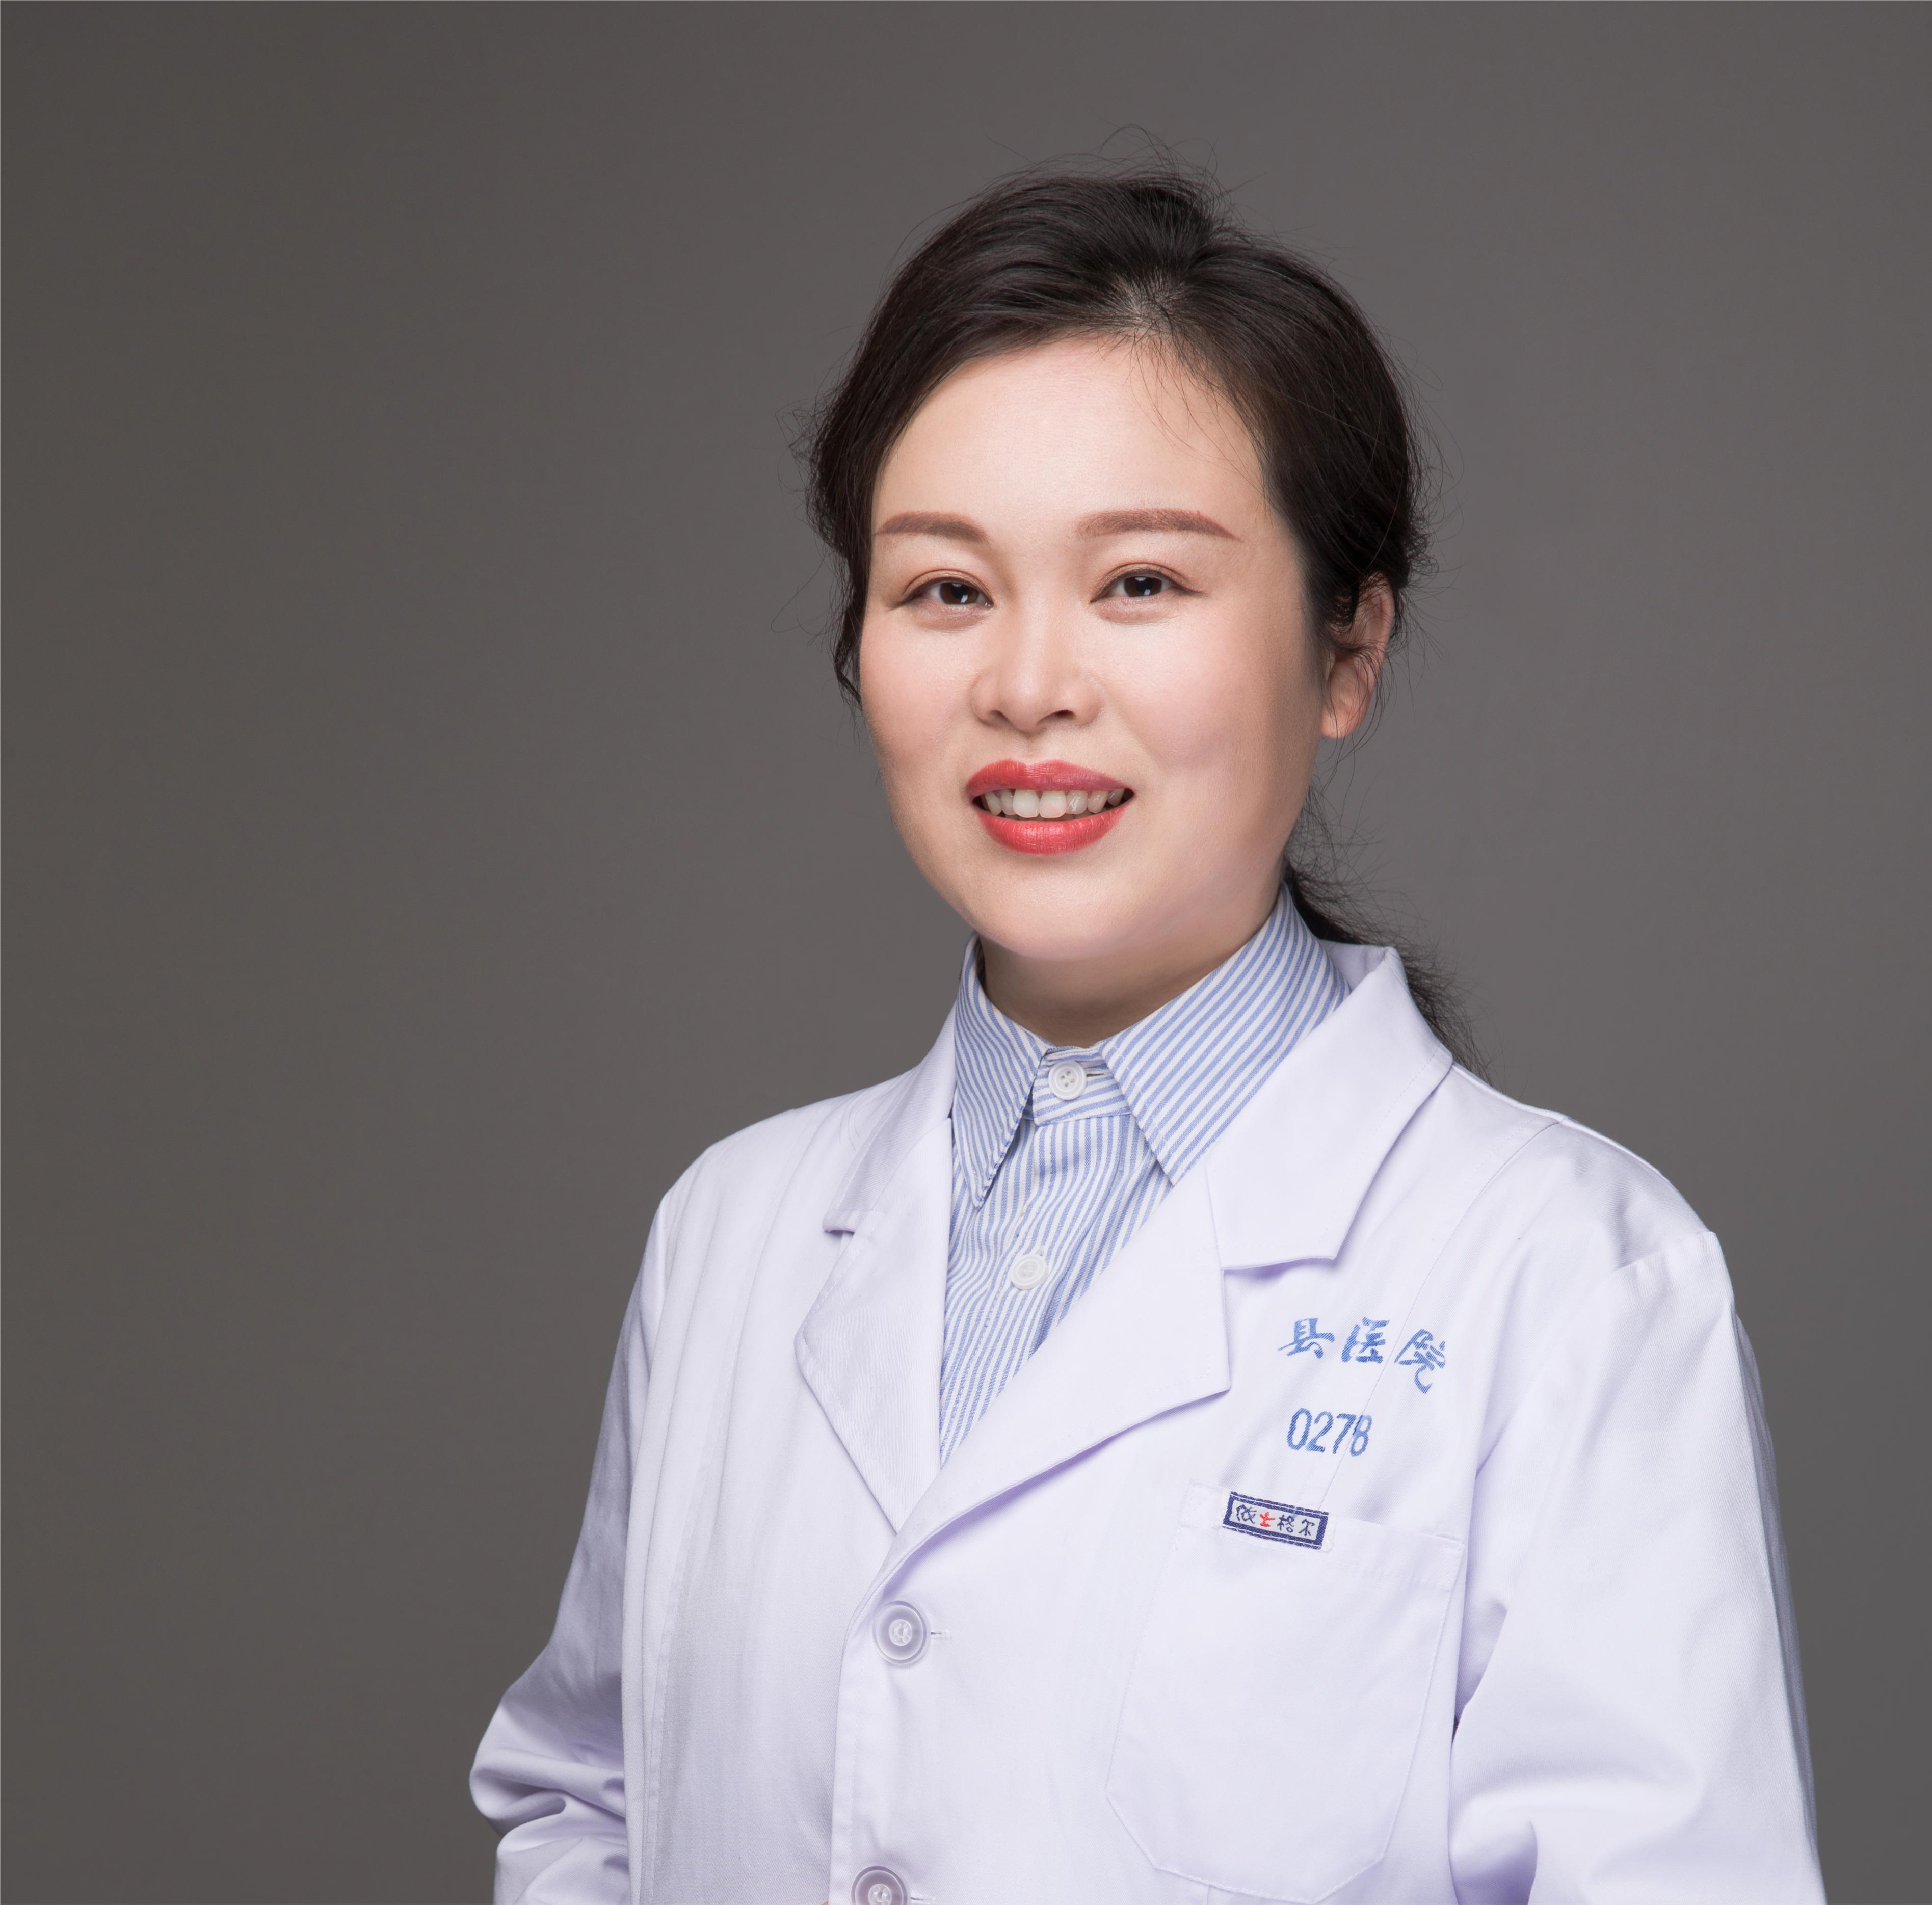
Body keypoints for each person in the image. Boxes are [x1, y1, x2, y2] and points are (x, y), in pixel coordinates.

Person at [472, 166, 1823, 1905]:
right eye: (945, 589)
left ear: (1348, 647)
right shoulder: (730, 1234)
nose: (1029, 684)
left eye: (1139, 582)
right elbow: (590, 1799)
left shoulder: (1570, 1281)